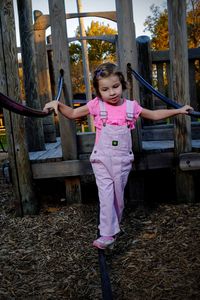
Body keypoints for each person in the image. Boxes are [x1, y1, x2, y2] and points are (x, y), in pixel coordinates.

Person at [43, 62, 193, 250]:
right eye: (105, 89)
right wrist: (58, 104)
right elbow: (73, 113)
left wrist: (178, 110)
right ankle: (107, 234)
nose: (112, 92)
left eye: (115, 86)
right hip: (101, 161)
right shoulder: (97, 105)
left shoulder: (131, 107)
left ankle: (113, 227)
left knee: (117, 198)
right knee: (106, 195)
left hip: (122, 162)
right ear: (98, 92)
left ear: (122, 84)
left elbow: (154, 115)